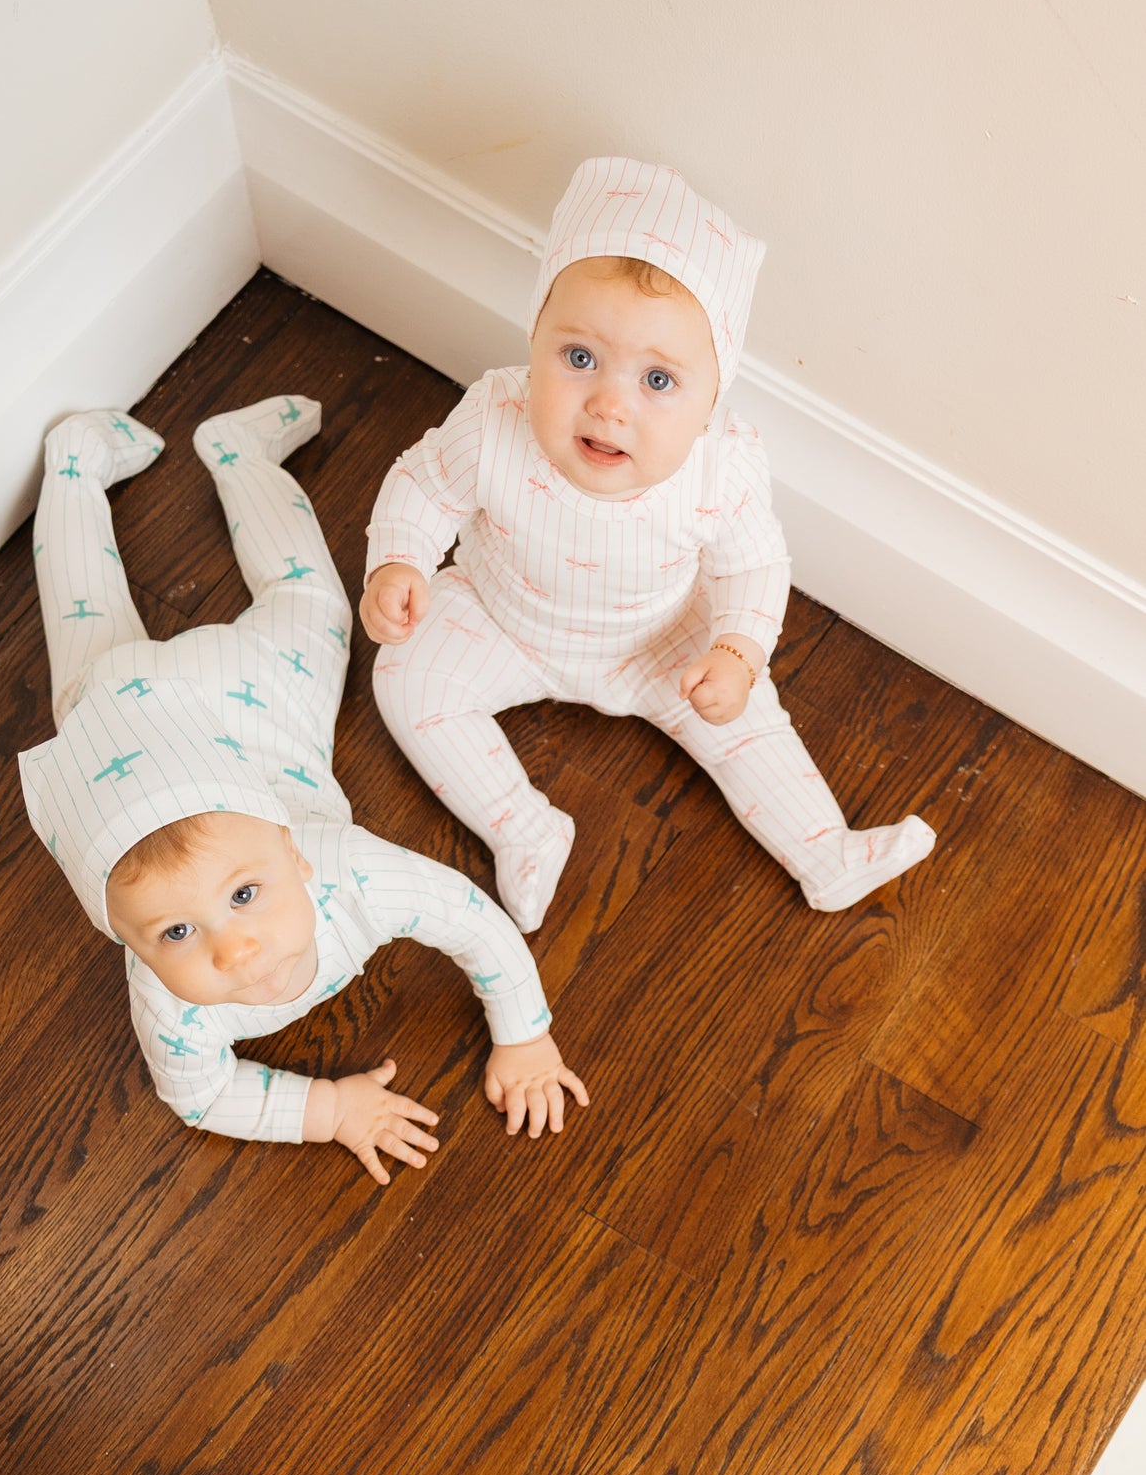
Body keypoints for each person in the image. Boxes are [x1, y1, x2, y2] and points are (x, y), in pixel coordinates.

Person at [17, 394, 587, 1186]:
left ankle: (136, 462)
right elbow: (199, 1096)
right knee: (265, 603)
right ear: (122, 936)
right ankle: (146, 458)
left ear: (292, 848)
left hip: (252, 693)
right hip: (116, 720)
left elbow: (467, 916)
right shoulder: (165, 1002)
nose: (232, 949)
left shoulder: (345, 867)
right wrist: (328, 1112)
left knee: (248, 603)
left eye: (245, 893)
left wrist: (523, 1030)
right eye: (174, 934)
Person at [360, 156, 934, 933]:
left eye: (657, 381)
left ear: (710, 399)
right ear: (533, 342)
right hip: (501, 617)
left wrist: (736, 651)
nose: (608, 404)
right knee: (404, 674)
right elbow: (423, 484)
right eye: (578, 358)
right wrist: (397, 559)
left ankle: (822, 851)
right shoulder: (493, 416)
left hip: (658, 642)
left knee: (744, 722)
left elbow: (753, 565)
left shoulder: (717, 467)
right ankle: (520, 825)